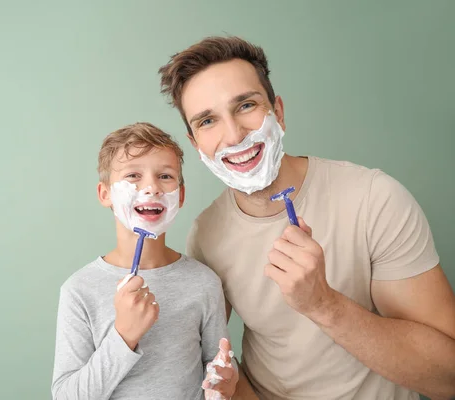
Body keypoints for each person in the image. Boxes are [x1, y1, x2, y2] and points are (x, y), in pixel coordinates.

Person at [157, 36, 455, 400]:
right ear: (195, 144)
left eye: (246, 105)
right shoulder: (206, 236)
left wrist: (323, 304)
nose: (234, 135)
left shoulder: (374, 199)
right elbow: (205, 364)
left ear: (277, 112)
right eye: (207, 121)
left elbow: (448, 379)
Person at [50, 122, 239, 399]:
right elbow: (66, 396)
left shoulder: (203, 282)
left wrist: (225, 380)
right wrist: (124, 335)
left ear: (181, 195)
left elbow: (218, 365)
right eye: (133, 176)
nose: (151, 187)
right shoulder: (79, 291)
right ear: (105, 194)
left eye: (165, 176)